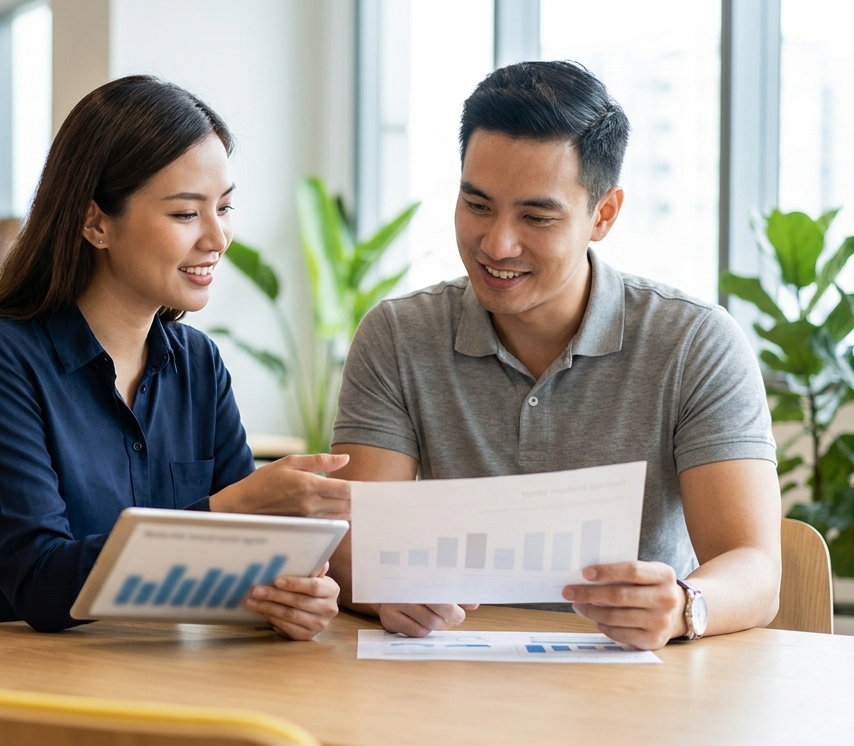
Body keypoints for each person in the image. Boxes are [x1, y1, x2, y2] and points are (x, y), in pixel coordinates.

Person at [328, 61, 781, 650]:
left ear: (604, 215)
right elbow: (356, 544)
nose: (497, 244)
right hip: (450, 673)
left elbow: (755, 567)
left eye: (536, 217)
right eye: (478, 205)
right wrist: (384, 588)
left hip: (636, 683)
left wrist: (682, 606)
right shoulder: (398, 335)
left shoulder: (695, 342)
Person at [0, 75, 350, 641]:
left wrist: (290, 593)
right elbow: (39, 583)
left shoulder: (199, 364)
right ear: (96, 223)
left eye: (225, 207)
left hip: (137, 663)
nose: (218, 237)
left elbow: (247, 559)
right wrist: (230, 508)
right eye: (187, 214)